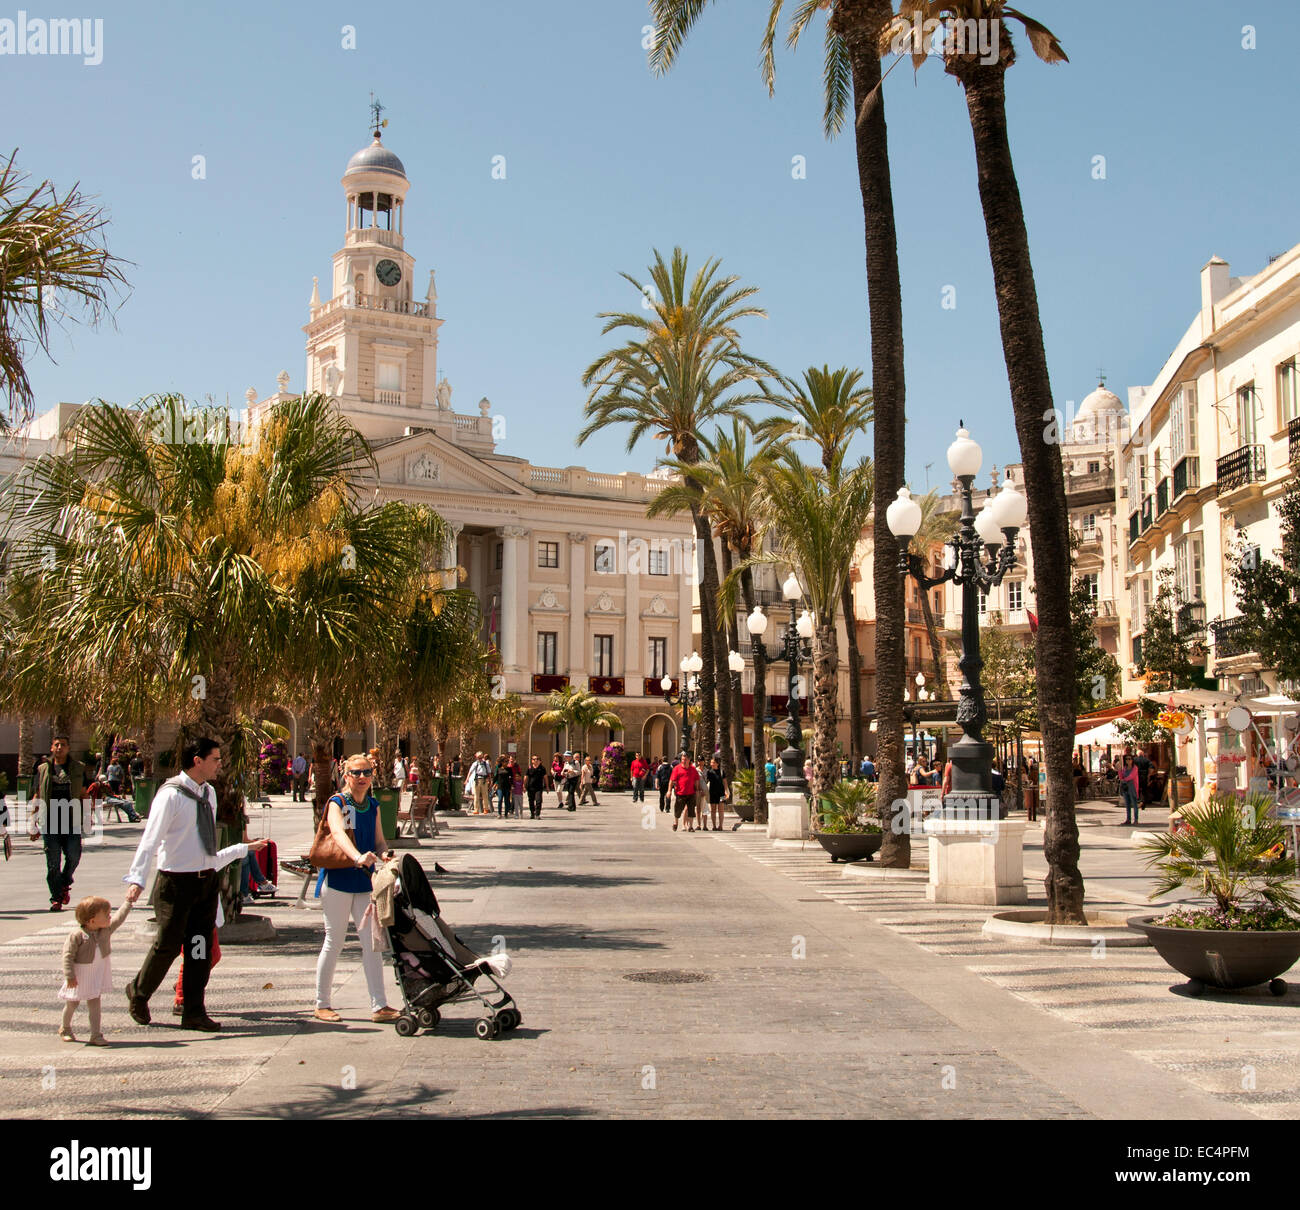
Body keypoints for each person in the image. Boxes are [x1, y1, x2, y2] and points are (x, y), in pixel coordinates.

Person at [122, 737, 268, 1031]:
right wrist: (137, 878)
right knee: (167, 944)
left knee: (199, 949)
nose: (219, 765)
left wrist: (237, 851)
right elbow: (150, 839)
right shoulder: (171, 795)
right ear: (197, 761)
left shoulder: (209, 794)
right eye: (215, 759)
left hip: (205, 880)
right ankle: (139, 992)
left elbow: (207, 843)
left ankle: (193, 1010)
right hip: (175, 882)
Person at [313, 754, 399, 1024]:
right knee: (334, 941)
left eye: (367, 773)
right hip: (338, 882)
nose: (362, 778)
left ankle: (379, 1005)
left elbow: (380, 841)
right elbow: (337, 834)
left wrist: (384, 856)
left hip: (364, 883)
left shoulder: (372, 805)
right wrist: (357, 857)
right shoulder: (337, 803)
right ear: (345, 774)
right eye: (356, 773)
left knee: (371, 944)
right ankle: (322, 1003)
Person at [59, 895, 133, 1044]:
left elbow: (119, 918)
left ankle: (96, 1035)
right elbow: (67, 956)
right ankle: (65, 1028)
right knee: (72, 1003)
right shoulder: (77, 935)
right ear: (92, 921)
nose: (109, 916)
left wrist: (128, 902)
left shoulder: (105, 930)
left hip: (96, 973)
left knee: (95, 1002)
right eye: (106, 915)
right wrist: (69, 976)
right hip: (80, 975)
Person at [29, 735, 87, 911]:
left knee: (74, 856)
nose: (60, 747)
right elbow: (37, 795)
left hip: (72, 820)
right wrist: (33, 822)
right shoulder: (42, 769)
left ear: (69, 748)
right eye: (56, 745)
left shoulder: (78, 768)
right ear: (52, 748)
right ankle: (56, 897)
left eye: (63, 745)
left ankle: (65, 882)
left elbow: (84, 793)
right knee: (53, 862)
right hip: (49, 821)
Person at [669, 754, 701, 832]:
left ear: (689, 760)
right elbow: (671, 780)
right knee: (678, 810)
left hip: (691, 793)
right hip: (680, 793)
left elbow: (696, 780)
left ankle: (690, 827)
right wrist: (669, 791)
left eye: (685, 759)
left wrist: (697, 790)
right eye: (682, 759)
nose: (683, 761)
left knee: (691, 810)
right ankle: (675, 823)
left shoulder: (693, 769)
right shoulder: (677, 768)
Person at [705, 756, 729, 832]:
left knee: (721, 809)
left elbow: (725, 782)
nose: (711, 764)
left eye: (713, 762)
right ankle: (714, 825)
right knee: (713, 809)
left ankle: (721, 825)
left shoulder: (722, 771)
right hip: (712, 792)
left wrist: (726, 791)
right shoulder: (709, 772)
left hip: (721, 793)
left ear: (717, 763)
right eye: (711, 762)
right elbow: (706, 781)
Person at [1119, 754, 1141, 825]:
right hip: (1126, 787)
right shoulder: (1124, 768)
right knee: (1127, 804)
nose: (1128, 760)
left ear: (1132, 760)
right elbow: (1121, 776)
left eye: (1129, 759)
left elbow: (1132, 776)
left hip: (1132, 787)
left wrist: (1124, 779)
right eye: (1126, 759)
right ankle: (1128, 819)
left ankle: (1136, 819)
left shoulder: (1135, 768)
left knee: (1134, 803)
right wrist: (1119, 771)